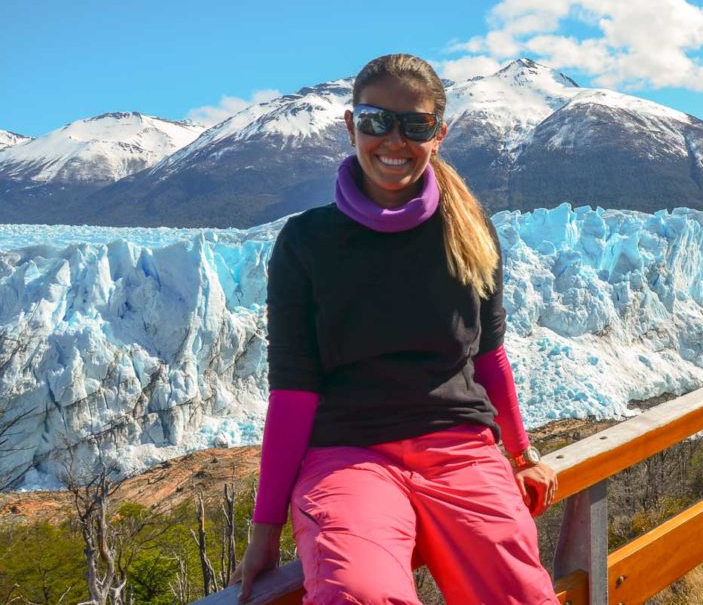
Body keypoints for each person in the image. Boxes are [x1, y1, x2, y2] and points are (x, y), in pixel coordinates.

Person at [229, 54, 560, 604]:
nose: (393, 140)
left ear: (439, 134)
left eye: (416, 125)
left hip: (460, 447)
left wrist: (523, 455)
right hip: (348, 453)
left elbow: (489, 357)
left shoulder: (471, 232)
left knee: (516, 592)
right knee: (357, 593)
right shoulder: (307, 242)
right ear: (350, 125)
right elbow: (293, 389)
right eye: (376, 121)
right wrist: (265, 531)